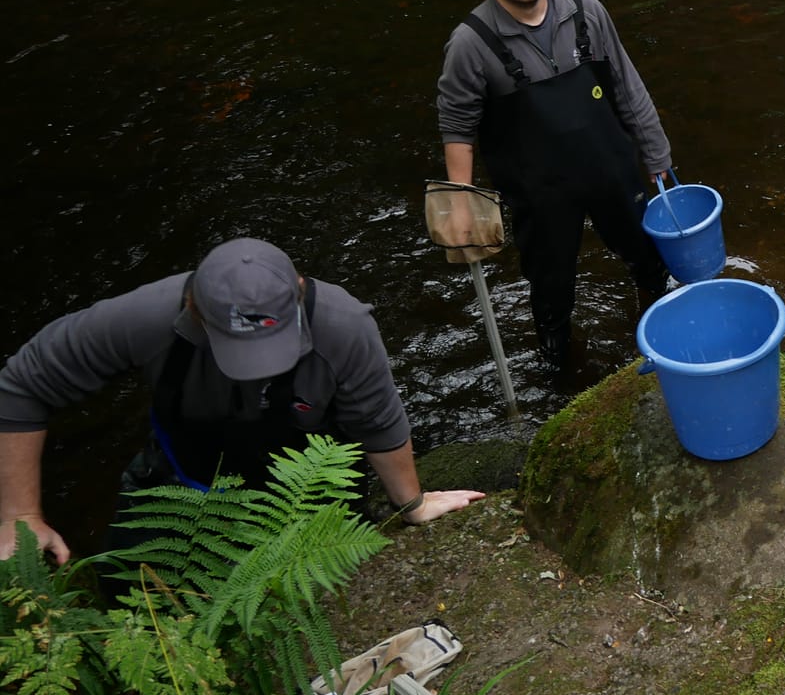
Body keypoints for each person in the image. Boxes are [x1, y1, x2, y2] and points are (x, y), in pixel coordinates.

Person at [0, 238, 484, 564]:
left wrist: (413, 504)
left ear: (297, 293)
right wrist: (21, 518)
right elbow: (22, 386)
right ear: (193, 311)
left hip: (307, 489)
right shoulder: (143, 318)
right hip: (182, 484)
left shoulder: (344, 326)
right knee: (120, 585)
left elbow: (378, 421)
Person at [437, 0, 673, 365]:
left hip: (611, 169)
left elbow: (626, 84)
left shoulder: (584, 8)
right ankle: (558, 361)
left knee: (648, 257)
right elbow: (457, 129)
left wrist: (657, 155)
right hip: (538, 189)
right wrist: (462, 202)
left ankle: (657, 326)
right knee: (551, 281)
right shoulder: (470, 43)